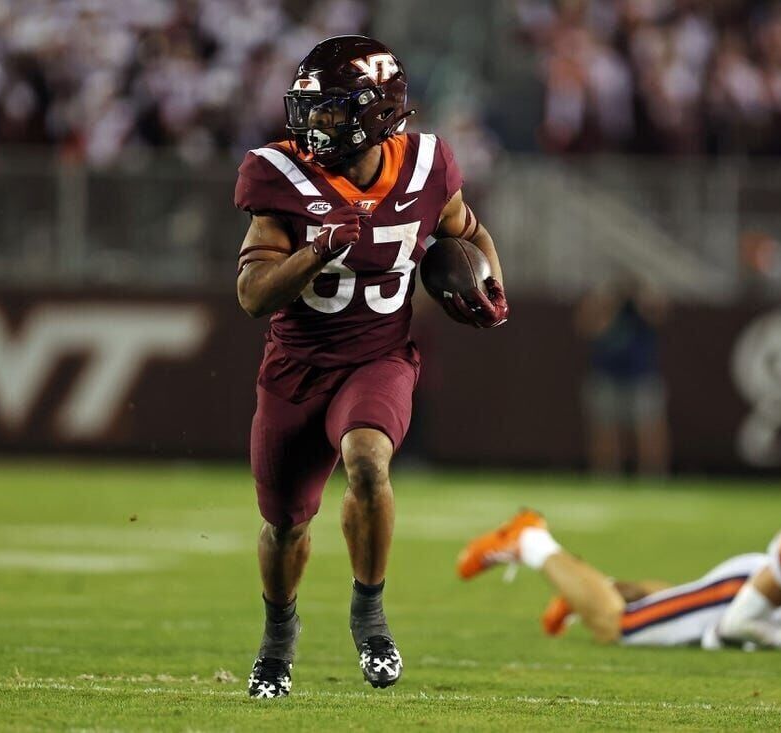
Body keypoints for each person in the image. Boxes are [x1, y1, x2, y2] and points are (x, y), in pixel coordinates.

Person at [234, 35, 508, 696]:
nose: (316, 122)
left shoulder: (427, 164)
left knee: (366, 459)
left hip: (378, 357)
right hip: (296, 369)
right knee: (284, 524)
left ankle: (370, 613)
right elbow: (251, 295)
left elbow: (466, 231)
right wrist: (312, 255)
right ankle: (278, 638)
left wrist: (493, 283)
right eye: (312, 107)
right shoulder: (280, 173)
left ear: (376, 112)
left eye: (331, 109)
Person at [457, 462, 781, 657]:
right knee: (619, 628)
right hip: (745, 599)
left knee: (671, 602)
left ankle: (586, 588)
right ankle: (533, 541)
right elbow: (737, 625)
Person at [575, 282, 669, 475]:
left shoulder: (643, 299)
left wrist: (640, 299)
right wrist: (610, 304)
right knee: (604, 429)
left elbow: (659, 315)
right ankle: (605, 476)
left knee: (648, 428)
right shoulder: (603, 301)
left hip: (641, 374)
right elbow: (588, 327)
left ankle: (653, 477)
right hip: (606, 374)